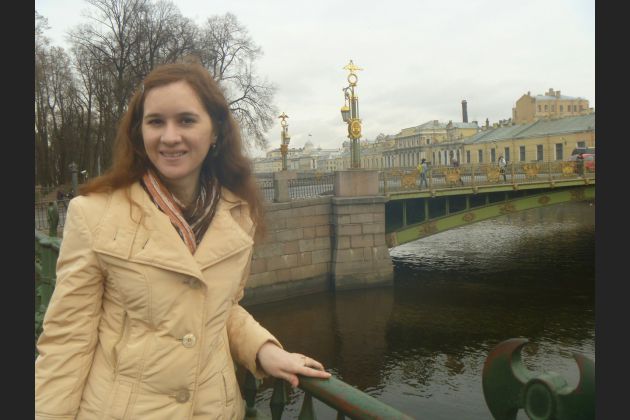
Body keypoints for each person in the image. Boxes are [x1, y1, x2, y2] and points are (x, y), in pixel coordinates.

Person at [35, 62, 331, 419]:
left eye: (186, 120)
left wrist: (262, 348)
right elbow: (68, 341)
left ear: (215, 131)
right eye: (156, 122)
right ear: (139, 133)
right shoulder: (94, 214)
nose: (170, 136)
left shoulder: (239, 213)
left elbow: (219, 308)